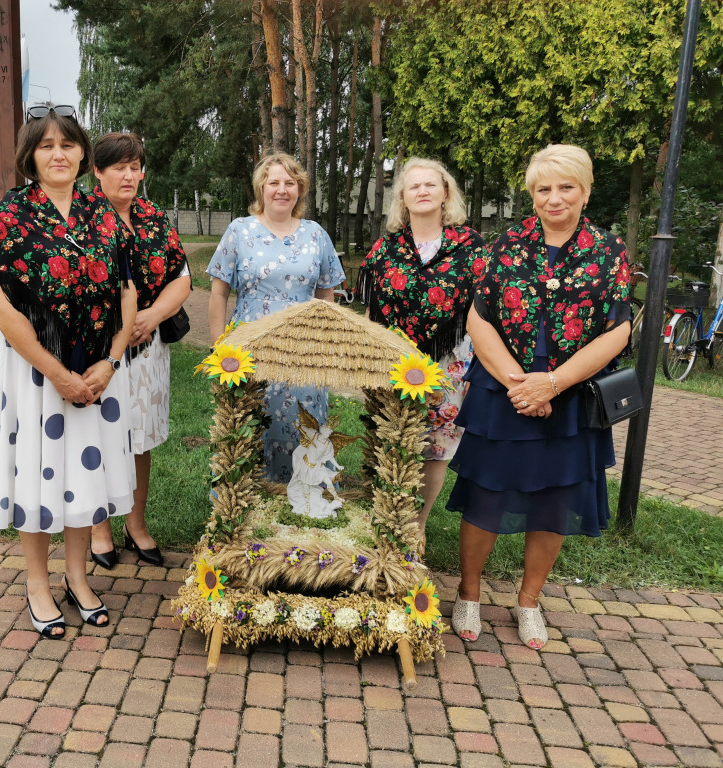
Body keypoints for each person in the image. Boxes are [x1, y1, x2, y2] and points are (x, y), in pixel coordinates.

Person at [447, 144, 631, 650]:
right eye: (544, 189)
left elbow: (617, 330)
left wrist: (553, 383)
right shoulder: (504, 245)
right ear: (532, 194)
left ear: (585, 191)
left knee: (554, 501)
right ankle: (468, 593)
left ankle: (528, 602)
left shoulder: (608, 252)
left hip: (571, 397)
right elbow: (478, 318)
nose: (555, 198)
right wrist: (518, 383)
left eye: (566, 187)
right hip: (503, 392)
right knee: (487, 494)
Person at [0, 106, 137, 638]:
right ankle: (38, 584)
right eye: (46, 146)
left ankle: (77, 576)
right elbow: (1, 309)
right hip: (36, 374)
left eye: (67, 144)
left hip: (95, 371)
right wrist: (57, 374)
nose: (58, 154)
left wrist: (109, 363)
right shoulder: (10, 217)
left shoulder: (103, 213)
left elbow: (128, 291)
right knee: (39, 475)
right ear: (30, 158)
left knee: (82, 476)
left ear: (83, 152)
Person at [357, 158, 485, 551]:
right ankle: (386, 516)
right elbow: (371, 309)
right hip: (396, 360)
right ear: (403, 199)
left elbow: (484, 308)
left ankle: (418, 525)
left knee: (437, 446)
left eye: (432, 184)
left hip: (452, 359)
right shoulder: (385, 248)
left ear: (446, 193)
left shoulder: (471, 246)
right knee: (393, 438)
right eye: (414, 187)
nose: (423, 191)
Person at [207, 153, 345, 482]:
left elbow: (327, 294)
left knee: (304, 420)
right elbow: (218, 293)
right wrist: (219, 349)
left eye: (289, 183)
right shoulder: (239, 231)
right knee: (249, 420)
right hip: (249, 347)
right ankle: (245, 498)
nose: (281, 190)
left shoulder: (315, 234)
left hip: (304, 348)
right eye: (274, 183)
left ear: (299, 189)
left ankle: (303, 499)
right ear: (261, 189)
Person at [88, 132, 191, 569]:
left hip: (147, 346)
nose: (128, 176)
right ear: (97, 172)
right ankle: (97, 527)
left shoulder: (153, 217)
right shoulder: (81, 218)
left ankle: (136, 522)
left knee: (140, 437)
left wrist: (148, 318)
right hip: (99, 349)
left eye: (134, 168)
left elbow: (181, 276)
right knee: (96, 435)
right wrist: (122, 326)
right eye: (118, 168)